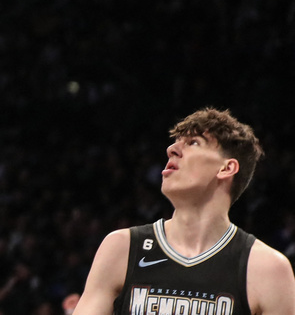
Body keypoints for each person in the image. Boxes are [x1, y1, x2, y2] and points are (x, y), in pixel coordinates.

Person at [73, 107, 295, 315]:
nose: (171, 149)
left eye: (194, 143)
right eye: (176, 142)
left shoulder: (268, 270)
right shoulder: (122, 248)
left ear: (227, 168)